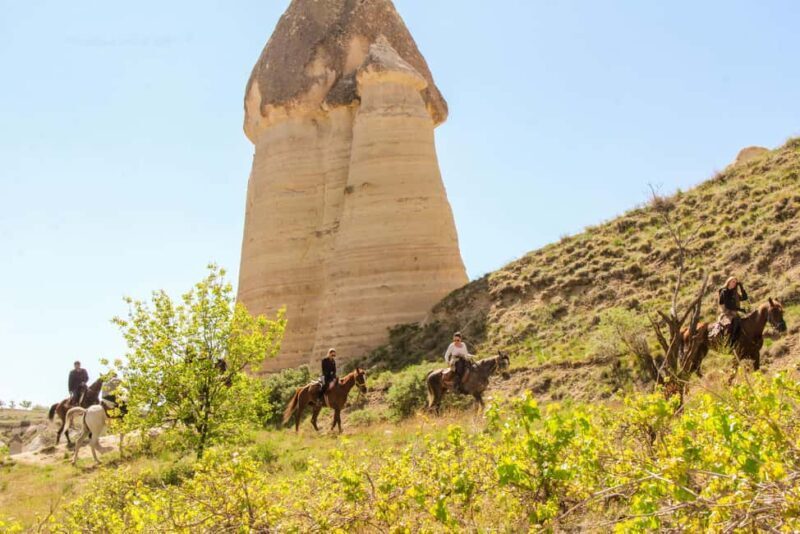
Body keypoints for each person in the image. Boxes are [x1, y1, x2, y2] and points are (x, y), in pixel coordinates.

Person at [718, 276, 749, 345]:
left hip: (734, 311)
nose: (734, 283)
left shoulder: (734, 292)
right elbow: (728, 305)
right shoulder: (724, 291)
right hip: (726, 311)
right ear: (728, 282)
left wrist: (741, 287)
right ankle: (729, 341)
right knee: (733, 322)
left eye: (735, 282)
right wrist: (740, 309)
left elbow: (744, 298)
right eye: (733, 281)